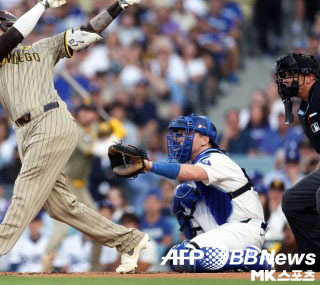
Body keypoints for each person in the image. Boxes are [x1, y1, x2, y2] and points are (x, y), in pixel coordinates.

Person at [0, 0, 150, 275]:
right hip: (25, 133)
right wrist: (41, 5)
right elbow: (16, 36)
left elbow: (86, 33)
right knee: (61, 208)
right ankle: (129, 240)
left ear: (7, 24)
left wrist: (120, 4)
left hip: (51, 120)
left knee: (24, 190)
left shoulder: (43, 48)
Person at [113, 114, 269, 272]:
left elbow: (193, 173)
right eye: (180, 134)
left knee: (182, 257)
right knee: (183, 195)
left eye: (188, 133)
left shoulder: (216, 157)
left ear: (204, 140)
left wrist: (149, 165)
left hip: (245, 229)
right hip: (227, 226)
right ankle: (206, 253)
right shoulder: (203, 159)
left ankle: (253, 260)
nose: (181, 139)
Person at [41, 104, 125, 272]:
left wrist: (111, 126)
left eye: (90, 112)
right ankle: (45, 266)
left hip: (80, 186)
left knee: (97, 227)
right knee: (62, 228)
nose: (87, 115)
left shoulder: (90, 129)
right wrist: (116, 135)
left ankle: (95, 267)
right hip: (65, 184)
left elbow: (100, 131)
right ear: (78, 115)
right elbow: (97, 150)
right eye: (83, 112)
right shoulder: (76, 130)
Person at [274, 52, 320, 271]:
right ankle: (315, 259)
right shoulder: (305, 107)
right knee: (293, 199)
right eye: (284, 76)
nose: (285, 80)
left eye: (292, 74)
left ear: (310, 77)